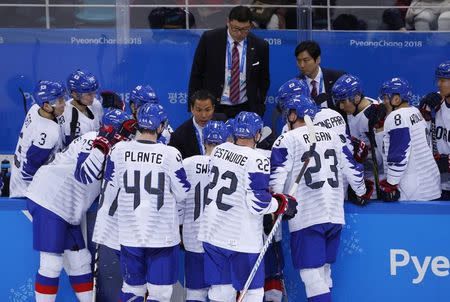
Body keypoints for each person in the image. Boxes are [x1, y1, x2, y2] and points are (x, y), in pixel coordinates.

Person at [24, 109, 133, 302]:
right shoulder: (92, 140)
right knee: (51, 263)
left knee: (80, 261)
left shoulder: (121, 150)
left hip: (69, 209)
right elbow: (84, 175)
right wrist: (102, 147)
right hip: (50, 199)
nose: (128, 137)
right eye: (125, 133)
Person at [270, 94, 370, 302]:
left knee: (311, 275)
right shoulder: (333, 136)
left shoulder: (287, 139)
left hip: (307, 217)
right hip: (334, 214)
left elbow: (276, 180)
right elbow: (352, 169)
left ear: (293, 114)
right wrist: (361, 192)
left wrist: (275, 206)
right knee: (324, 272)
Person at [198, 111, 297, 302]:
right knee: (252, 293)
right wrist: (281, 203)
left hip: (212, 234)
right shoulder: (256, 158)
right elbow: (257, 203)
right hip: (241, 239)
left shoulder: (219, 151)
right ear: (257, 134)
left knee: (220, 292)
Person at [107, 103, 190, 302]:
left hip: (129, 232)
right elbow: (182, 192)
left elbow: (112, 184)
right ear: (160, 127)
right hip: (161, 235)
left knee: (132, 290)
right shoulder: (171, 153)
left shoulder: (118, 150)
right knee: (159, 294)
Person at [188, 5, 270, 118]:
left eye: (245, 29)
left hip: (245, 108)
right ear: (228, 22)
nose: (239, 33)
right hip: (214, 107)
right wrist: (194, 107)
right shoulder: (210, 39)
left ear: (250, 26)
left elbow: (264, 80)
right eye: (235, 28)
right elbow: (196, 74)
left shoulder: (260, 46)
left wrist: (259, 108)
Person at [179, 120, 229, 302]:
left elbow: (178, 203)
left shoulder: (187, 164)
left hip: (193, 237)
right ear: (226, 141)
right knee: (222, 293)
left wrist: (180, 228)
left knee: (195, 293)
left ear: (203, 140)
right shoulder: (231, 166)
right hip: (221, 239)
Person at [379, 77, 441, 201]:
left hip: (413, 190)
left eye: (386, 97)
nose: (384, 101)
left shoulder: (397, 116)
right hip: (431, 185)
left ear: (396, 98)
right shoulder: (415, 111)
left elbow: (399, 155)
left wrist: (390, 184)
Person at [332, 74, 388, 199]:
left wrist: (359, 157)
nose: (341, 107)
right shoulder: (354, 109)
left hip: (377, 180)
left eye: (343, 102)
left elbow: (382, 157)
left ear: (356, 97)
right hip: (360, 177)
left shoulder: (375, 115)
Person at [10, 80, 66, 198]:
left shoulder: (35, 108)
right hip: (27, 193)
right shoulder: (47, 132)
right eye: (60, 101)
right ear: (46, 106)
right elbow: (28, 172)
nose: (64, 104)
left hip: (18, 183)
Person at [419, 61, 450, 199]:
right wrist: (423, 114)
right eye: (438, 80)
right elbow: (420, 134)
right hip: (440, 182)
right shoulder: (437, 101)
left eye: (443, 80)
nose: (439, 84)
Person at [169, 90, 226, 159]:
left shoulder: (223, 122)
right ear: (192, 109)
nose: (203, 115)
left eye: (207, 110)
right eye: (199, 110)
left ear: (213, 108)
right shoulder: (179, 136)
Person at [295, 40, 345, 110]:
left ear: (318, 59)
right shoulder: (295, 86)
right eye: (298, 61)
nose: (302, 65)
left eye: (306, 60)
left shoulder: (337, 78)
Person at [60, 69, 102, 147]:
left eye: (94, 92)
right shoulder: (69, 118)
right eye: (89, 94)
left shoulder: (96, 104)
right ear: (74, 94)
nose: (93, 97)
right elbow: (72, 151)